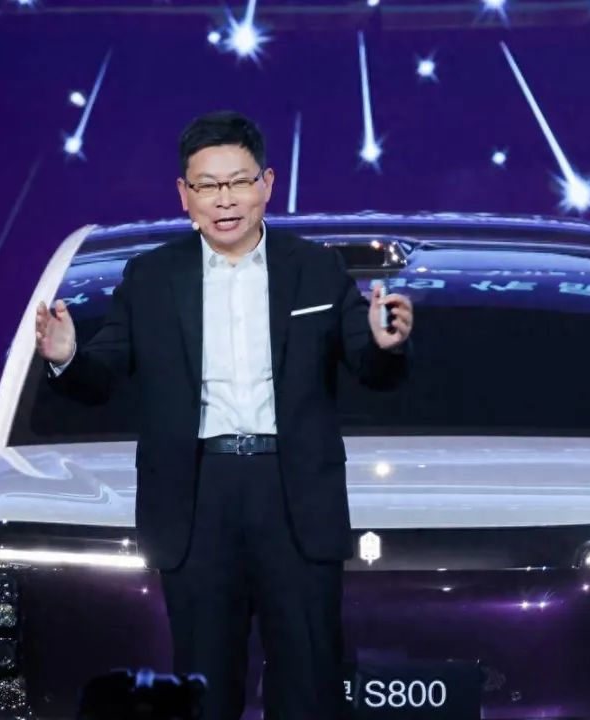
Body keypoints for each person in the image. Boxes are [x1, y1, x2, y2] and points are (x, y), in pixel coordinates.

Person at [34, 110, 413, 720]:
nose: (225, 199)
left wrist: (387, 344)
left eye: (238, 181)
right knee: (205, 689)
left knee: (309, 684)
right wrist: (67, 357)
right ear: (184, 195)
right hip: (197, 495)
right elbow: (101, 377)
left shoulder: (314, 269)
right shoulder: (152, 277)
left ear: (267, 184)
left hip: (292, 490)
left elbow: (371, 369)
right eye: (208, 185)